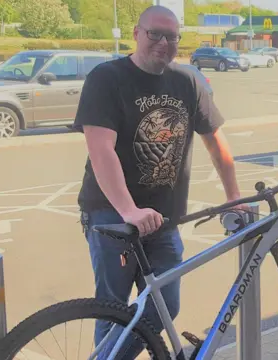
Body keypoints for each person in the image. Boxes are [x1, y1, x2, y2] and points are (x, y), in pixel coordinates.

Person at [72, 5, 244, 358]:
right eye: (155, 34)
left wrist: (234, 197)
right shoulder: (107, 78)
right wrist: (129, 210)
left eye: (172, 36)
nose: (163, 43)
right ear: (137, 33)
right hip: (111, 216)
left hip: (164, 219)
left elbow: (217, 144)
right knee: (113, 308)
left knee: (166, 304)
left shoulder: (188, 81)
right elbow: (101, 149)